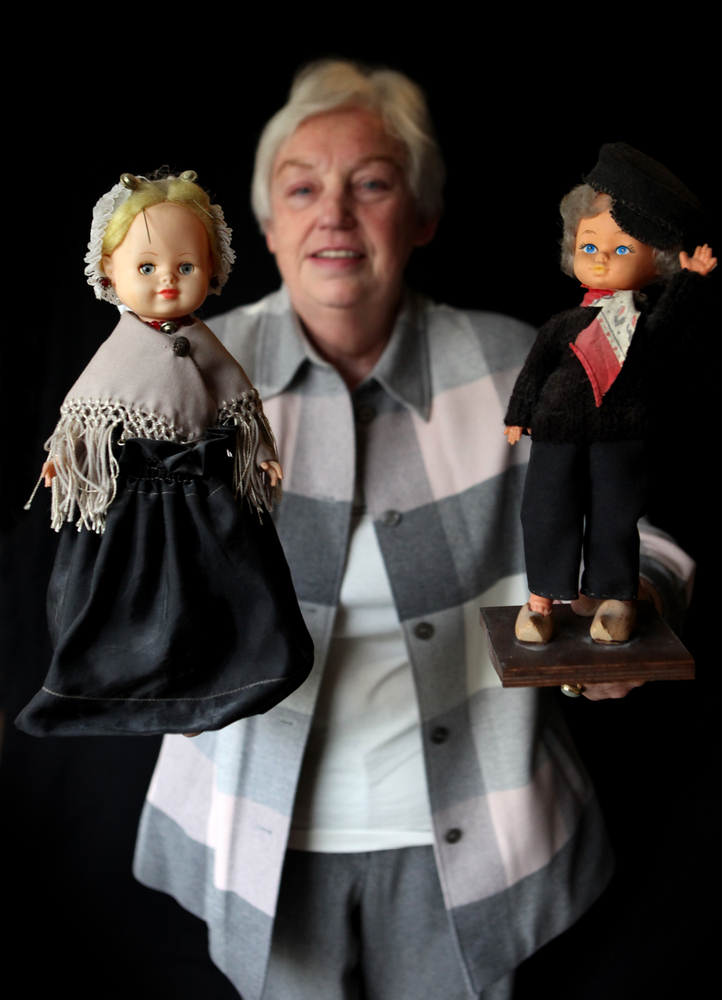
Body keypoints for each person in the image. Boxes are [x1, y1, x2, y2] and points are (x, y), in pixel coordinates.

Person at [133, 62, 694, 999]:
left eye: (372, 184)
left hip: (479, 850)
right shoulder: (188, 377)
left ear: (422, 217)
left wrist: (635, 608)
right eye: (301, 189)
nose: (334, 215)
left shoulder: (517, 364)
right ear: (265, 227)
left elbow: (648, 541)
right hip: (255, 840)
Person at [16, 171, 313, 737]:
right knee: (128, 598)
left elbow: (239, 409)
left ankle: (224, 679)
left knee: (220, 594)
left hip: (205, 498)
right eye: (147, 267)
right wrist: (66, 458)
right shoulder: (119, 350)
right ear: (110, 270)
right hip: (132, 508)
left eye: (186, 266)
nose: (168, 281)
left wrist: (258, 453)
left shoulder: (206, 343)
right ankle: (126, 686)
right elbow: (85, 416)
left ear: (212, 268)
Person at [504, 143, 715, 645]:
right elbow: (535, 370)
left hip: (620, 434)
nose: (600, 259)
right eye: (589, 246)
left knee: (615, 516)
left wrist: (690, 281)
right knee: (546, 511)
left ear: (656, 262)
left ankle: (616, 597)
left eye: (621, 250)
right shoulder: (562, 324)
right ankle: (541, 600)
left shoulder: (642, 325)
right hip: (556, 432)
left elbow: (669, 327)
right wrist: (519, 414)